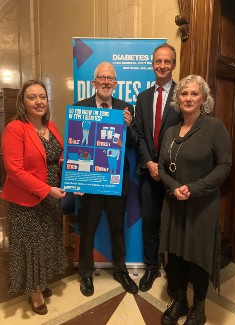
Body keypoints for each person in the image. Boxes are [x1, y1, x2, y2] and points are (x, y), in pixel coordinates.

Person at [158, 75, 232, 325]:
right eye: (183, 94)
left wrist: (193, 188)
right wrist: (175, 187)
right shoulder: (169, 131)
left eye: (194, 93)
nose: (188, 98)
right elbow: (162, 167)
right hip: (173, 203)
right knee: (176, 255)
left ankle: (199, 306)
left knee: (197, 256)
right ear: (177, 99)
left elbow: (224, 165)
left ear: (204, 98)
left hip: (202, 205)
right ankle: (180, 300)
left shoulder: (215, 127)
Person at [1, 80, 67, 315]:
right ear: (23, 102)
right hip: (27, 199)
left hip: (51, 197)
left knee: (45, 242)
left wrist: (71, 172)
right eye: (32, 97)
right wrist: (48, 189)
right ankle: (34, 293)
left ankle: (39, 282)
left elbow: (56, 157)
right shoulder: (15, 128)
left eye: (42, 96)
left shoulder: (50, 126)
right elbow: (15, 171)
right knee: (30, 246)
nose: (39, 101)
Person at [74, 62, 138, 296]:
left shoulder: (125, 108)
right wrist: (77, 180)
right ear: (94, 82)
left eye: (110, 78)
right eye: (102, 77)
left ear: (116, 83)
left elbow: (133, 143)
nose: (106, 82)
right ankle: (86, 274)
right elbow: (76, 146)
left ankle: (120, 271)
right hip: (91, 181)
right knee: (88, 228)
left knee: (117, 228)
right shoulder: (80, 107)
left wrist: (128, 127)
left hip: (116, 180)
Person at [134, 43, 181, 292]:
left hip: (173, 174)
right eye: (158, 62)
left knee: (174, 223)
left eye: (167, 61)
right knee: (150, 223)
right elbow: (139, 134)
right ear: (152, 65)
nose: (162, 66)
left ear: (173, 64)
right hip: (148, 173)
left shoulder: (182, 96)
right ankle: (152, 267)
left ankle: (173, 270)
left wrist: (162, 166)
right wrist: (149, 163)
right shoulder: (142, 98)